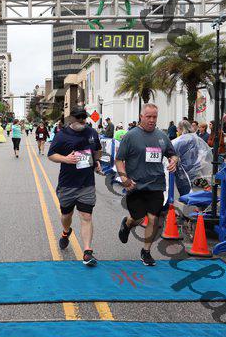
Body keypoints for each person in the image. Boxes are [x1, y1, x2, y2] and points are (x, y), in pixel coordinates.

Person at [116, 103, 179, 267]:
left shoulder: (162, 136)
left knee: (153, 218)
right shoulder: (130, 136)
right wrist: (124, 178)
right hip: (135, 186)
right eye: (148, 116)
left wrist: (174, 161)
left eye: (154, 117)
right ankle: (127, 224)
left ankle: (146, 251)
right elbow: (119, 159)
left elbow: (173, 155)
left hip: (156, 185)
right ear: (141, 116)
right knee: (137, 218)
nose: (151, 120)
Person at [48, 106, 103, 267]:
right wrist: (66, 159)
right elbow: (51, 154)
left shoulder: (92, 133)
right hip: (67, 184)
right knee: (67, 215)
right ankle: (66, 232)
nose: (82, 120)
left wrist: (96, 161)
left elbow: (97, 150)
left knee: (86, 216)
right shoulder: (62, 135)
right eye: (78, 117)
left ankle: (87, 252)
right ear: (71, 119)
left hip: (87, 183)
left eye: (84, 117)